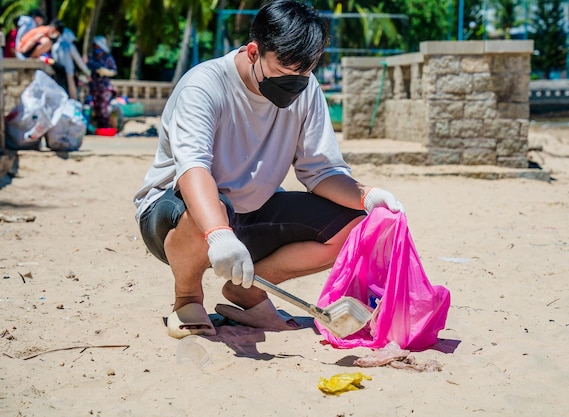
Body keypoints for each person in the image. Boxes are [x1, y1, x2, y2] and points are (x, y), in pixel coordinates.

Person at [133, 0, 404, 339]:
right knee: (214, 206)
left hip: (250, 213)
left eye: (303, 72)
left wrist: (369, 197)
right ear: (253, 52)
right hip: (174, 212)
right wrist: (218, 233)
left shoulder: (306, 90)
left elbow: (320, 171)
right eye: (283, 70)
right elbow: (193, 170)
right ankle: (188, 298)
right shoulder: (203, 86)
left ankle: (250, 291)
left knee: (358, 224)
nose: (293, 82)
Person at [51, 28, 91, 99]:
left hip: (57, 72)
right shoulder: (69, 46)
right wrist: (87, 72)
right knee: (72, 95)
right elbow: (79, 61)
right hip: (68, 73)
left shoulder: (54, 46)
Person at [87, 36, 118, 128]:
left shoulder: (108, 58)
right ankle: (98, 127)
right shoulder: (91, 57)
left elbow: (114, 71)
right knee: (95, 108)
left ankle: (105, 127)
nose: (97, 49)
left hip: (104, 87)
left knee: (104, 108)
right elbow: (87, 68)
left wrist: (105, 71)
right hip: (94, 87)